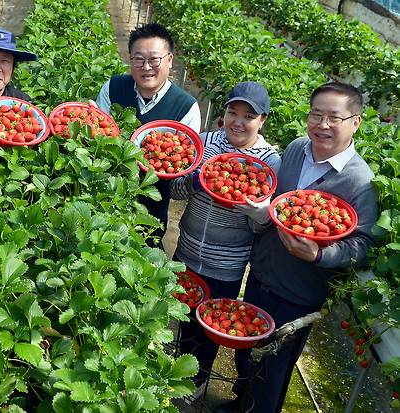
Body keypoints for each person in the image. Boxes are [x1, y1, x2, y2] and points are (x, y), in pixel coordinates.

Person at [218, 82, 379, 413]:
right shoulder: (295, 150)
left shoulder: (359, 181)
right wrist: (261, 214)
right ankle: (240, 403)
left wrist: (320, 254)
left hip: (299, 292)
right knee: (247, 350)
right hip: (262, 273)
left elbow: (362, 244)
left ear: (355, 122)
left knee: (274, 370)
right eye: (316, 114)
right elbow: (278, 203)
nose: (322, 125)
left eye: (334, 117)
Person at [170, 82, 281, 395]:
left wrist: (257, 212)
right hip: (187, 250)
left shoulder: (269, 162)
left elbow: (262, 228)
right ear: (224, 114)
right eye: (233, 112)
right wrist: (193, 180)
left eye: (249, 116)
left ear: (263, 121)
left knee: (210, 324)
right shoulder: (205, 143)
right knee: (181, 314)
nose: (238, 121)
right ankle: (178, 366)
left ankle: (196, 380)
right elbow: (176, 190)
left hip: (227, 264)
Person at [95, 23, 201, 246]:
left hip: (151, 207)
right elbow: (100, 138)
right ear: (129, 59)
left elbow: (181, 165)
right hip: (105, 196)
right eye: (138, 59)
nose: (146, 67)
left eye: (154, 59)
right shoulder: (113, 87)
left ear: (170, 60)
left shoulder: (186, 107)